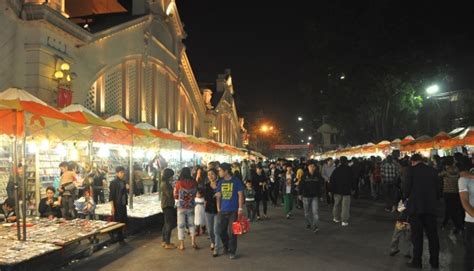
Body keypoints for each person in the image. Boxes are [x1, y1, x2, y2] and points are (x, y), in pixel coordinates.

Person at [404, 154, 440, 269]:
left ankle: (417, 261)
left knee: (417, 236)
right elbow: (439, 190)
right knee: (433, 236)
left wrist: (405, 197)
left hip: (416, 208)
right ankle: (434, 262)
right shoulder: (433, 171)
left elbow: (406, 189)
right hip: (431, 208)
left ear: (413, 161)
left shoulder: (411, 170)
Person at [215, 162, 244, 260]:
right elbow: (218, 196)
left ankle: (232, 251)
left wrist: (240, 208)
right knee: (221, 231)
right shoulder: (220, 182)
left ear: (226, 171)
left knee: (232, 232)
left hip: (233, 210)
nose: (219, 172)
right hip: (223, 210)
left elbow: (240, 195)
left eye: (220, 170)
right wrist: (218, 208)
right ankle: (226, 246)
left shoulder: (236, 181)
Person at [174, 167, 198, 250]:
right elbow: (196, 194)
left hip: (181, 207)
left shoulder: (178, 183)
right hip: (191, 206)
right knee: (192, 224)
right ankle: (193, 242)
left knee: (181, 226)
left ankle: (182, 245)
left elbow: (176, 195)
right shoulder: (194, 182)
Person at [439, 156, 464, 234]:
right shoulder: (457, 169)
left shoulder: (445, 171)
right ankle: (449, 223)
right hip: (457, 192)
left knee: (450, 209)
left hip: (448, 192)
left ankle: (457, 226)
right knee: (455, 209)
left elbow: (438, 175)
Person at [458, 157, 474, 271]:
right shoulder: (466, 179)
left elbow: (465, 202)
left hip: (471, 221)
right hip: (471, 220)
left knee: (470, 253)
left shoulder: (464, 179)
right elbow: (465, 202)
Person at [299, 160, 323, 233]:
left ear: (315, 167)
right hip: (306, 196)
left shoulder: (318, 175)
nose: (312, 168)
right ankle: (308, 223)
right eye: (310, 166)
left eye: (313, 166)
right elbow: (301, 185)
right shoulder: (304, 175)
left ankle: (315, 226)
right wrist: (300, 194)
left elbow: (320, 186)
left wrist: (320, 195)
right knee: (306, 212)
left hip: (314, 196)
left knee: (315, 213)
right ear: (308, 167)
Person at [330, 156, 354, 227]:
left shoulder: (336, 170)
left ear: (340, 161)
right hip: (346, 190)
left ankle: (336, 218)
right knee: (345, 206)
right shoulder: (349, 169)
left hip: (337, 190)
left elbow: (332, 180)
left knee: (336, 204)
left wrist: (332, 190)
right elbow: (353, 180)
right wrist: (353, 188)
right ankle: (344, 221)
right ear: (346, 161)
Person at [204, 168, 221, 257]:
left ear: (216, 174)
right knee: (210, 230)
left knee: (216, 230)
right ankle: (213, 242)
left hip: (218, 211)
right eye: (209, 174)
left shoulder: (220, 184)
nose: (210, 176)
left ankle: (216, 248)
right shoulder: (207, 186)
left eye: (212, 174)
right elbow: (206, 199)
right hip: (208, 210)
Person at [109, 166, 128, 243]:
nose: (122, 174)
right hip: (117, 204)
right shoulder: (113, 182)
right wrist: (112, 207)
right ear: (117, 173)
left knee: (123, 220)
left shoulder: (123, 181)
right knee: (118, 221)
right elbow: (111, 195)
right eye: (121, 172)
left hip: (123, 204)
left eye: (123, 172)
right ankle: (118, 237)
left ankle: (121, 236)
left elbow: (123, 192)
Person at [160, 168, 176, 249]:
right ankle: (167, 243)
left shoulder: (164, 183)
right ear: (169, 176)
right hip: (167, 205)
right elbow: (170, 194)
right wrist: (174, 189)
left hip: (166, 204)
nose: (173, 177)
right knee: (169, 224)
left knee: (166, 223)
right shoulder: (165, 184)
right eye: (172, 176)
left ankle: (164, 241)